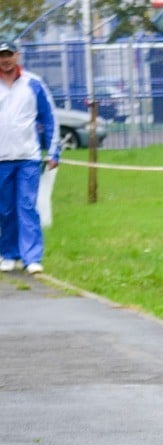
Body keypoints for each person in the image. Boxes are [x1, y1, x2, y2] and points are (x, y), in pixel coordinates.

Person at [0, 39, 59, 275]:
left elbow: (49, 117)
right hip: (2, 158)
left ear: (17, 56)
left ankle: (32, 257)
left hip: (28, 157)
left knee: (26, 205)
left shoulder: (33, 83)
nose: (5, 60)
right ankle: (8, 254)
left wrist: (54, 151)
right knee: (5, 210)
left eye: (9, 55)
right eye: (2, 55)